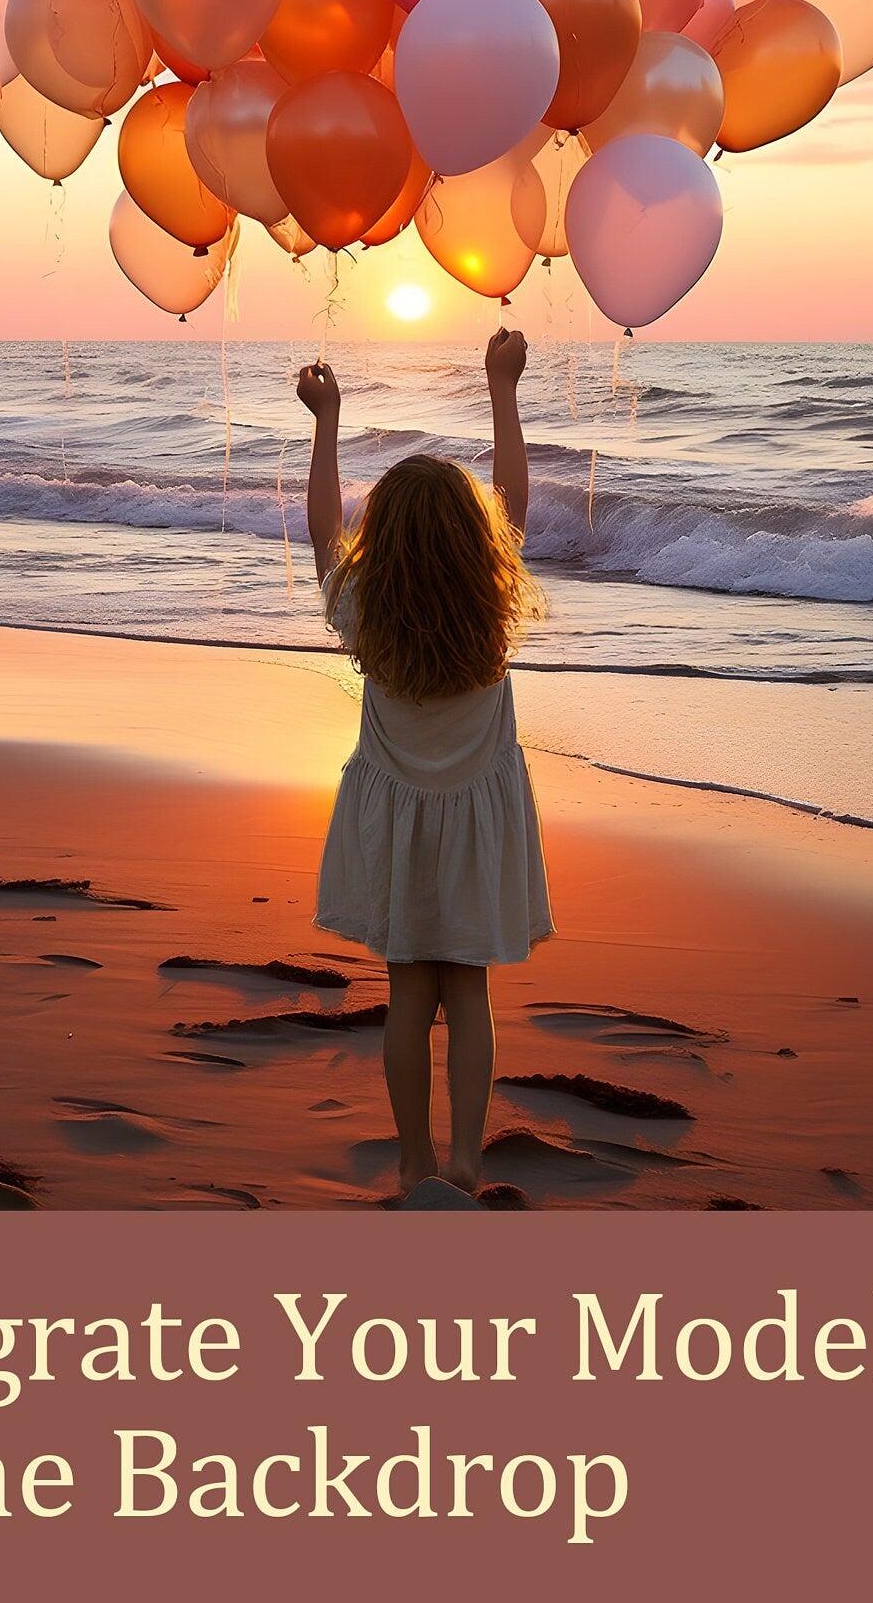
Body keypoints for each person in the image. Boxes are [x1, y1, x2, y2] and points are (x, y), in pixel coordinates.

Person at [294, 328, 547, 1201]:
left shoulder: (365, 612)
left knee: (409, 996)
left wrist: (328, 423)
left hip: (397, 825)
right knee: (467, 992)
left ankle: (413, 1161)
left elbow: (324, 528)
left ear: (387, 542)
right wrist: (501, 387)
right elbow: (513, 503)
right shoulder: (492, 614)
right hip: (477, 827)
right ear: (476, 547)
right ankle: (467, 1159)